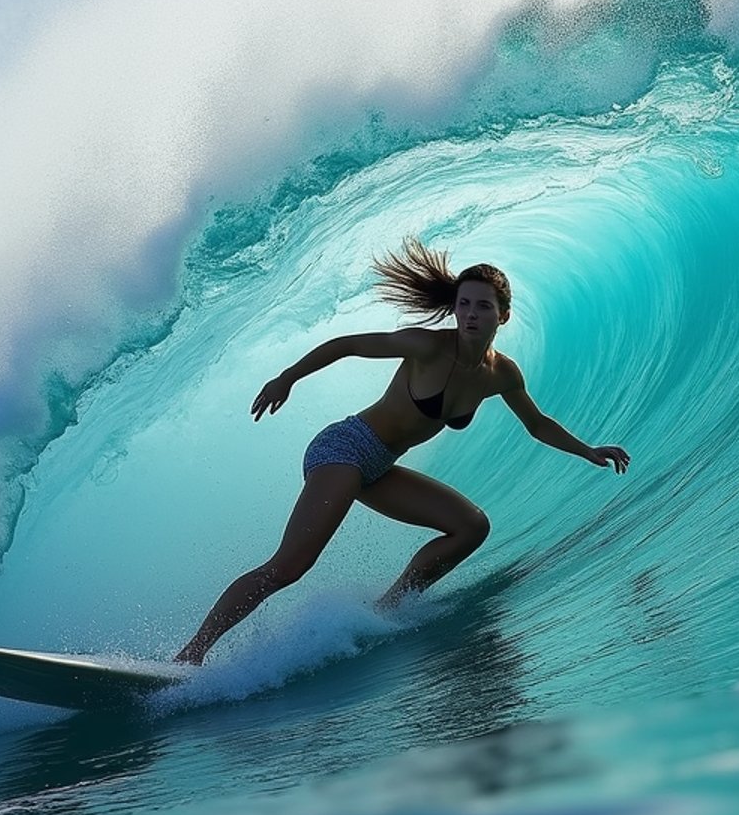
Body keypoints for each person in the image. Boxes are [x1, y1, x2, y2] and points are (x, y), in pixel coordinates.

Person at [175, 236, 630, 664]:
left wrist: (587, 450)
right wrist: (287, 378)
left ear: (503, 315)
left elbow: (537, 424)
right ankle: (191, 654)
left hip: (378, 467)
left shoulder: (502, 374)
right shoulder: (427, 346)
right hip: (344, 448)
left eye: (483, 306)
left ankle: (387, 609)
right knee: (289, 567)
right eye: (464, 304)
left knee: (471, 527)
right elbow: (347, 345)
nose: (470, 314)